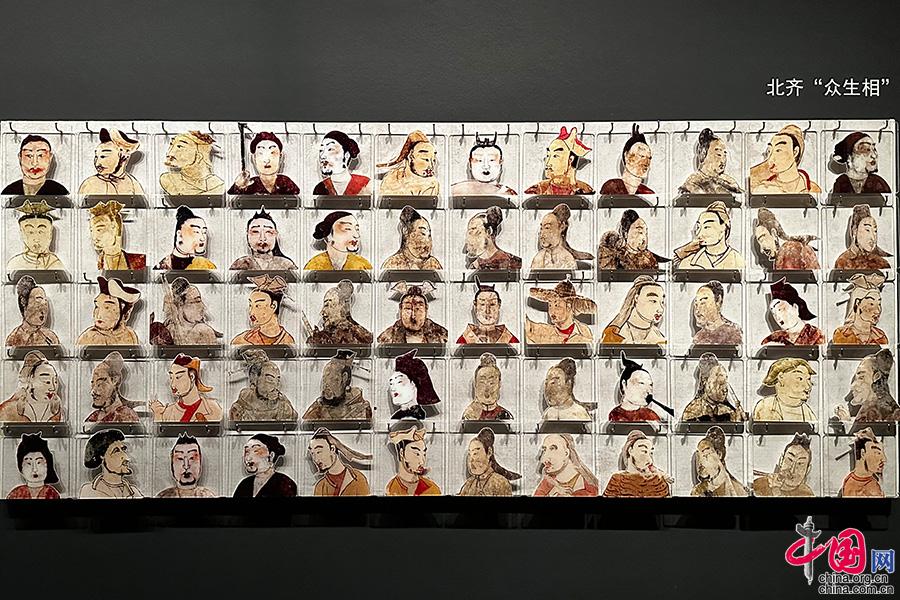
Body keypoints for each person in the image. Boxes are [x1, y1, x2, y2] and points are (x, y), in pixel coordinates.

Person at [302, 350, 372, 421]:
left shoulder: (360, 406)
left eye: (331, 379)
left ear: (344, 378)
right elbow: (307, 421)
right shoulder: (317, 409)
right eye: (324, 379)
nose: (326, 385)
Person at [149, 354, 223, 423]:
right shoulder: (168, 412)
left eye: (178, 377)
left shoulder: (212, 408)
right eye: (171, 378)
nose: (172, 385)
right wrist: (158, 413)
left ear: (192, 377)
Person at [749, 124, 821, 194]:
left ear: (795, 152)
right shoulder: (764, 188)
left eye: (778, 150)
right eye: (769, 151)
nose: (771, 158)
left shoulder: (812, 188)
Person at [229, 349, 297, 422]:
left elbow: (292, 418)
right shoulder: (244, 399)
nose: (276, 386)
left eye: (278, 380)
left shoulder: (283, 405)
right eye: (270, 379)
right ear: (254, 378)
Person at [673, 200, 744, 270]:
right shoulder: (687, 263)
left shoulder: (737, 261)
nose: (699, 234)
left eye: (707, 227)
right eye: (698, 227)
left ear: (724, 227)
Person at [150, 277, 221, 346]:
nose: (203, 307)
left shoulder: (203, 331)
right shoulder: (168, 331)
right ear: (180, 303)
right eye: (197, 301)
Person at [834, 349, 900, 423]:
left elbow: (865, 428)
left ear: (876, 377)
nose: (853, 386)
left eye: (861, 377)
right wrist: (847, 420)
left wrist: (846, 422)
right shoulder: (872, 407)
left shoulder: (879, 410)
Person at [525, 126, 594, 195]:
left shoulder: (585, 190)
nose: (548, 163)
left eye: (555, 156)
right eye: (548, 156)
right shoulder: (538, 190)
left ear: (571, 160)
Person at [602, 430, 672, 498]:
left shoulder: (658, 481)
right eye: (644, 451)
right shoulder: (617, 480)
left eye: (651, 453)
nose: (650, 460)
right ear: (630, 451)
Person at [525, 279, 596, 344]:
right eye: (550, 305)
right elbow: (528, 328)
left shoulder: (583, 333)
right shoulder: (543, 332)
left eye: (557, 306)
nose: (552, 311)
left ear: (568, 307)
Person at [680, 353, 746, 423]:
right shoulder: (692, 411)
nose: (725, 389)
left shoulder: (729, 411)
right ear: (705, 383)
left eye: (724, 383)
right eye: (718, 383)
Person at [231, 274, 295, 346]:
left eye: (258, 306)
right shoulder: (242, 340)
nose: (251, 312)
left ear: (273, 306)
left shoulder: (288, 341)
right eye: (250, 305)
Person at [0, 350, 63, 423]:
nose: (53, 388)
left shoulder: (55, 410)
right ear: (30, 379)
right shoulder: (8, 410)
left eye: (55, 381)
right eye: (47, 381)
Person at [76, 276, 141, 346]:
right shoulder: (90, 338)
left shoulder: (130, 335)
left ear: (125, 315)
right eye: (97, 306)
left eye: (107, 308)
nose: (98, 315)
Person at [229, 131, 299, 195]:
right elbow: (232, 196)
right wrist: (238, 185)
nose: (267, 160)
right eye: (260, 153)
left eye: (273, 153)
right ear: (254, 158)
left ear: (280, 157)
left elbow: (296, 197)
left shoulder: (285, 182)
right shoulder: (250, 184)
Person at [600, 275, 665, 345]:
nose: (661, 309)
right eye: (653, 301)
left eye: (662, 302)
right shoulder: (614, 336)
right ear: (636, 298)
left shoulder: (659, 336)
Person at [305, 280, 373, 345]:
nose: (322, 312)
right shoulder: (323, 337)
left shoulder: (359, 335)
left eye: (327, 305)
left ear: (341, 306)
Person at [377, 282, 448, 345]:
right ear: (400, 308)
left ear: (426, 308)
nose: (413, 316)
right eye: (408, 308)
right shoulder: (388, 337)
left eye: (418, 309)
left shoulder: (441, 335)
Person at [78, 128, 144, 195]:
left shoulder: (133, 185)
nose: (97, 163)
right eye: (96, 157)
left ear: (124, 156)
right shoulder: (90, 184)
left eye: (103, 156)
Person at [80, 428, 143, 498]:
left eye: (123, 450)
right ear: (102, 456)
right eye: (116, 451)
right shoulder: (89, 491)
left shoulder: (134, 493)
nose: (126, 457)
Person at [307, 428, 372, 496]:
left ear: (332, 449)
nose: (316, 459)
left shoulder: (358, 479)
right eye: (312, 453)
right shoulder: (320, 486)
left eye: (319, 452)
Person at [597, 209, 668, 270]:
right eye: (640, 232)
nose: (644, 238)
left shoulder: (649, 259)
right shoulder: (614, 257)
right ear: (625, 234)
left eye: (646, 233)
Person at [229, 207, 297, 271]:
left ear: (276, 235)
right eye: (255, 232)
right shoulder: (241, 264)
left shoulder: (286, 264)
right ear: (247, 235)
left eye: (269, 232)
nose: (262, 238)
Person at [678, 128, 743, 194]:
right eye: (718, 154)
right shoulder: (692, 182)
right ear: (703, 154)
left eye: (724, 155)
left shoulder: (729, 182)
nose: (723, 160)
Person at [761, 278, 824, 346]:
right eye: (774, 314)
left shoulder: (815, 336)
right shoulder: (774, 340)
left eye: (781, 309)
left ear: (795, 308)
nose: (778, 318)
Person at [159, 131, 225, 195]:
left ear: (200, 154)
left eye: (180, 146)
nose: (170, 153)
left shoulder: (218, 185)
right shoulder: (168, 180)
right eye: (171, 145)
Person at [529, 203, 593, 269]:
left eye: (547, 228)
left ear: (562, 227)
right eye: (541, 228)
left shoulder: (567, 260)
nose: (542, 234)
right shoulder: (538, 258)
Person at [459, 428, 520, 496]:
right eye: (470, 454)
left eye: (475, 453)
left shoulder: (501, 483)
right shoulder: (469, 484)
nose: (471, 460)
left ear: (489, 452)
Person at [752, 358, 817, 423]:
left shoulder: (806, 410)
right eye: (800, 379)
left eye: (808, 379)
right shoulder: (766, 405)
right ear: (781, 377)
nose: (808, 386)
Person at [87, 200, 146, 270]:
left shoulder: (140, 261)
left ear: (115, 227)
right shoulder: (90, 264)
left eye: (99, 230)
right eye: (91, 231)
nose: (94, 237)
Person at [303, 211, 372, 271]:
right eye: (347, 228)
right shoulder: (314, 265)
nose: (356, 235)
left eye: (357, 229)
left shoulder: (363, 265)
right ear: (328, 237)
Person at [533, 433, 599, 497]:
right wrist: (553, 492)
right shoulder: (548, 481)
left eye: (552, 449)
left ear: (566, 453)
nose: (544, 459)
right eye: (544, 450)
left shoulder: (588, 487)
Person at [6, 200, 64, 271]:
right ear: (22, 234)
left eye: (41, 232)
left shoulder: (55, 263)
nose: (36, 239)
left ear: (50, 234)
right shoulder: (15, 264)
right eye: (30, 232)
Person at [233, 433, 297, 498]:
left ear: (271, 456)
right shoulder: (244, 484)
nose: (248, 458)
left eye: (256, 451)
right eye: (247, 451)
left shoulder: (285, 483)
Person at [84, 351, 141, 424]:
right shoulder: (94, 417)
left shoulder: (125, 416)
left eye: (99, 384)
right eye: (93, 384)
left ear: (114, 380)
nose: (93, 392)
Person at [2, 135, 69, 195]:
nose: (34, 163)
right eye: (29, 156)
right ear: (20, 157)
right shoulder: (9, 191)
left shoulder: (60, 191)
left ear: (50, 157)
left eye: (40, 155)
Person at [691, 426, 748, 497]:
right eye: (699, 456)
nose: (701, 462)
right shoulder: (700, 489)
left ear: (719, 454)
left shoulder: (735, 488)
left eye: (706, 456)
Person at [451, 134, 517, 196]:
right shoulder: (457, 189)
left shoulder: (507, 192)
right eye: (479, 160)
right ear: (470, 163)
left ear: (500, 162)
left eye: (492, 160)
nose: (486, 166)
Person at [377, 130, 439, 196]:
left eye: (433, 160)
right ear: (410, 156)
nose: (431, 166)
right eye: (425, 159)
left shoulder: (432, 183)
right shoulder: (392, 178)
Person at [832, 273, 888, 345]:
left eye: (879, 304)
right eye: (871, 304)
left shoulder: (880, 337)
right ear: (857, 303)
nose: (877, 311)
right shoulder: (842, 334)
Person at [381, 205, 443, 270]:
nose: (427, 241)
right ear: (406, 232)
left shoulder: (433, 264)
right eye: (422, 234)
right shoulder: (393, 264)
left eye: (429, 235)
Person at [154, 205, 216, 270]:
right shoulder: (163, 266)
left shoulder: (204, 265)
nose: (202, 238)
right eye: (196, 232)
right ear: (179, 235)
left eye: (204, 232)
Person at [386, 424, 441, 495]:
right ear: (402, 453)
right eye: (416, 454)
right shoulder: (391, 489)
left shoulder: (432, 489)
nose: (422, 462)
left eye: (424, 454)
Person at [5, 275, 60, 347]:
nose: (43, 313)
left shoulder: (51, 337)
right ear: (23, 301)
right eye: (38, 300)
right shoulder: (14, 338)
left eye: (45, 303)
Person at [386, 349, 441, 420]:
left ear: (413, 384)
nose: (393, 389)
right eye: (391, 384)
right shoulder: (397, 416)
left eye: (399, 382)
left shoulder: (418, 413)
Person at [600, 124, 654, 195]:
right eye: (641, 156)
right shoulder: (611, 187)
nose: (646, 162)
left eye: (649, 158)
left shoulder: (647, 193)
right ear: (626, 156)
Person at [833, 204, 891, 271]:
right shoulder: (842, 262)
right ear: (855, 231)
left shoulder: (882, 264)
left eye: (875, 231)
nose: (873, 237)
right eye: (867, 230)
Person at [157, 434, 217, 498]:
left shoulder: (208, 496)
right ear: (172, 464)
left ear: (200, 462)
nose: (186, 466)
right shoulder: (163, 496)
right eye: (180, 458)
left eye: (192, 458)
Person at [313, 130, 372, 195]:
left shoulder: (364, 184)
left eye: (330, 149)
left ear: (346, 155)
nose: (322, 156)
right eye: (321, 150)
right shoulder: (320, 188)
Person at [463, 206, 521, 270]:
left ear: (488, 231)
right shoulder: (475, 266)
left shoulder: (512, 262)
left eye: (473, 230)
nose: (468, 238)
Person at [6, 433, 61, 499]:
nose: (34, 469)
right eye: (28, 463)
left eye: (39, 463)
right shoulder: (15, 494)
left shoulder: (52, 494)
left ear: (47, 465)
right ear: (21, 468)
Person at [608, 354, 660, 422]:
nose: (648, 391)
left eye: (650, 385)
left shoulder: (651, 416)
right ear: (624, 385)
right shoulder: (614, 415)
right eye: (641, 383)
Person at [462, 353, 513, 421]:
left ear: (499, 384)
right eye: (482, 382)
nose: (487, 389)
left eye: (491, 383)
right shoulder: (469, 416)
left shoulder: (505, 416)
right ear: (475, 384)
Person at [691, 281, 742, 346]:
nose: (697, 311)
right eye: (696, 305)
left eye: (703, 303)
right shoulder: (699, 337)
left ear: (718, 301)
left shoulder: (734, 331)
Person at [839, 427, 885, 497]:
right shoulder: (852, 485)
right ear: (863, 453)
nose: (884, 459)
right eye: (877, 453)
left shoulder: (874, 481)